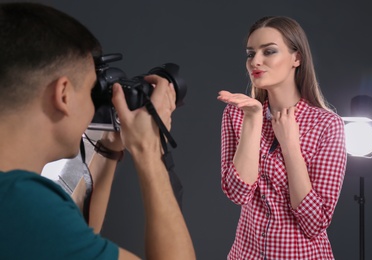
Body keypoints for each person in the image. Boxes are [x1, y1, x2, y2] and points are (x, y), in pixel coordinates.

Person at [0, 2, 195, 260]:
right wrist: (148, 149)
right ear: (64, 94)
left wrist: (108, 148)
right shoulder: (22, 204)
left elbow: (75, 241)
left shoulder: (20, 207)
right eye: (92, 90)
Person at [217, 16, 346, 260]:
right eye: (250, 53)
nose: (255, 61)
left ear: (296, 58)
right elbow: (237, 193)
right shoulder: (237, 114)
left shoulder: (327, 125)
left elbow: (315, 222)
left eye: (269, 51)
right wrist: (253, 119)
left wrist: (290, 147)